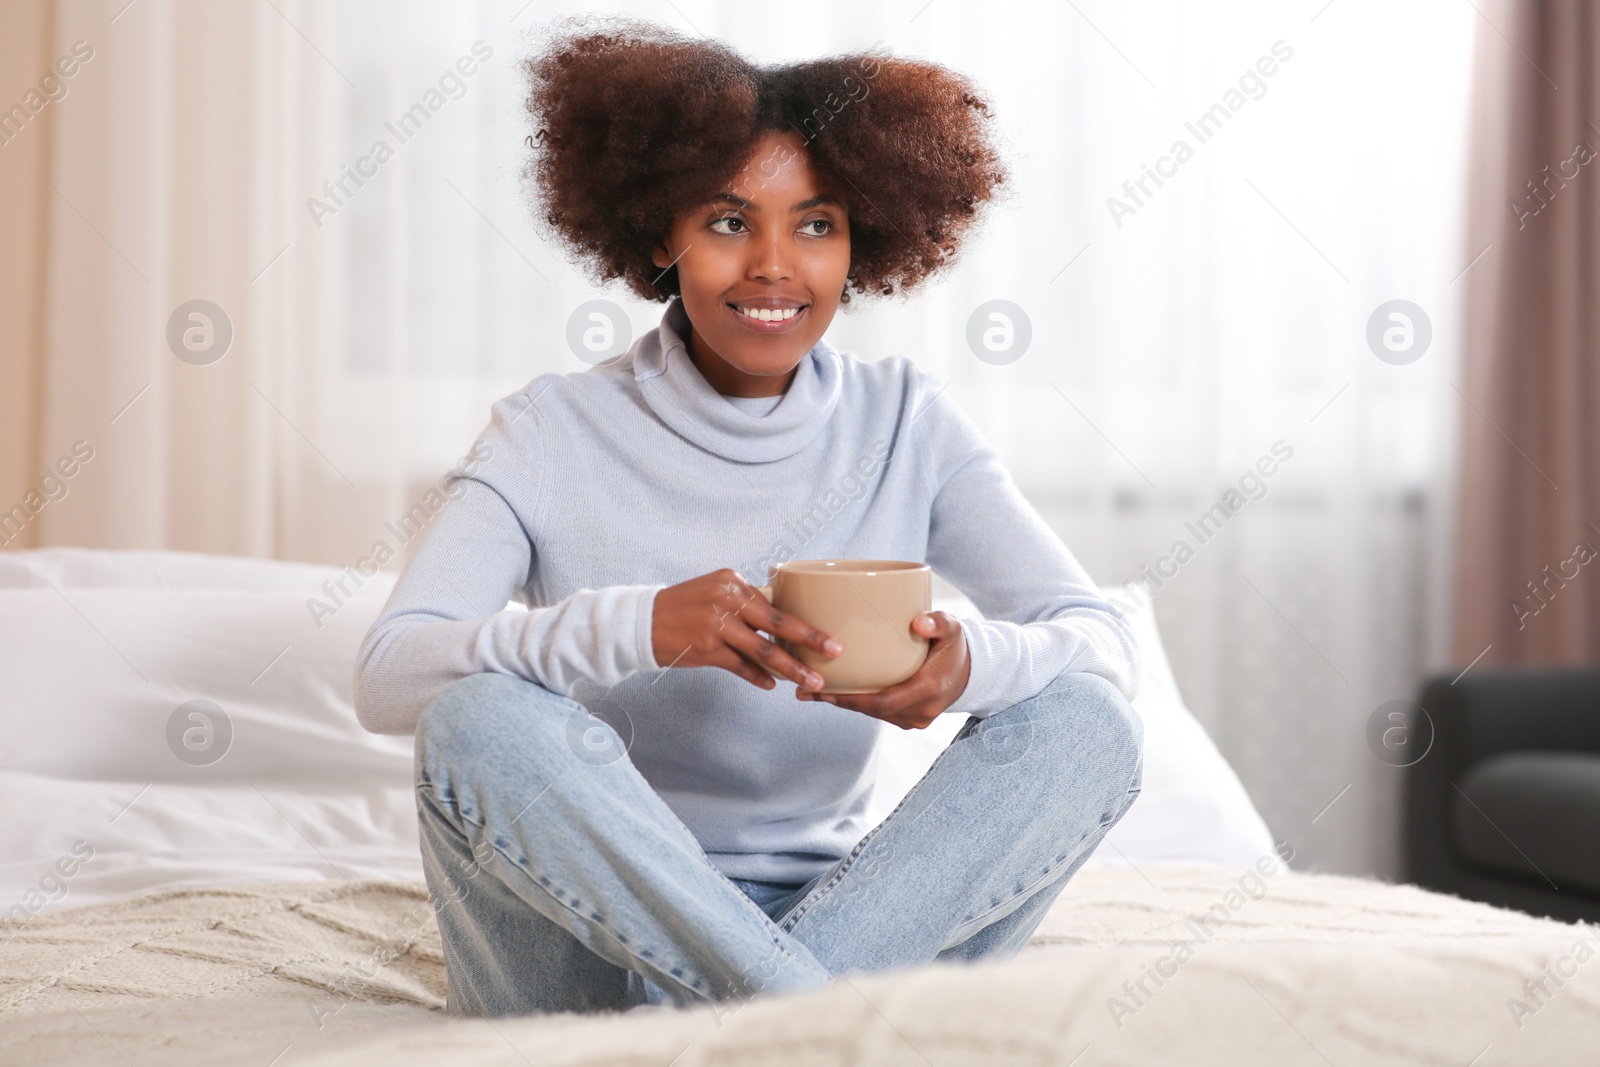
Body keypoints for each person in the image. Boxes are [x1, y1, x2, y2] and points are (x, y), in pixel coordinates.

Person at [354, 19, 1144, 1018]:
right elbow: (389, 674)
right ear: (656, 235)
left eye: (815, 225)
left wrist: (966, 664)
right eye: (729, 222)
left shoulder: (906, 421)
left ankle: (754, 1011)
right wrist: (635, 626)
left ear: (861, 245)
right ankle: (806, 1021)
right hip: (582, 934)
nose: (775, 264)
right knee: (480, 719)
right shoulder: (547, 431)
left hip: (847, 918)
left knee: (1088, 721)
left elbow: (1103, 640)